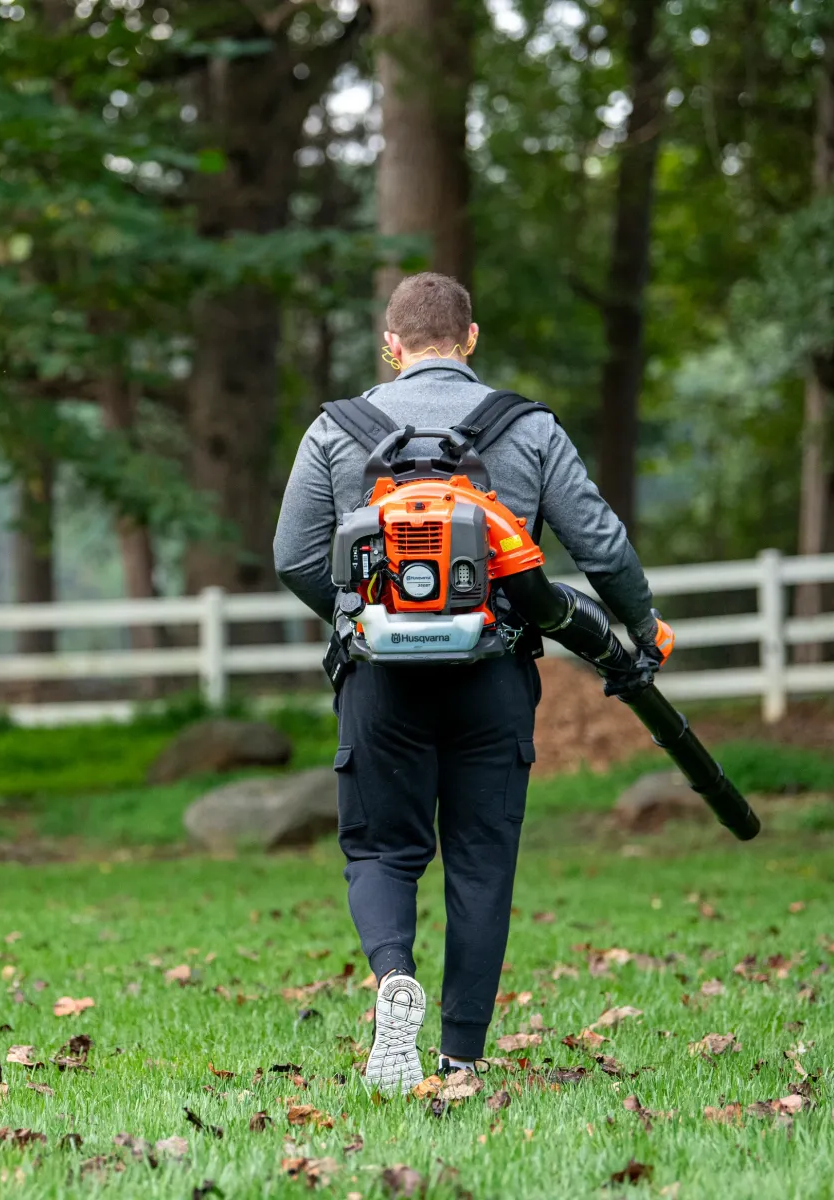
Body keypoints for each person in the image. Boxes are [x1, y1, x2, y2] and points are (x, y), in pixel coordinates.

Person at [272, 272, 671, 1090]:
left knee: (383, 849)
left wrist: (358, 621)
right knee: (482, 860)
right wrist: (641, 625)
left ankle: (393, 981)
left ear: (391, 347)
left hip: (379, 679)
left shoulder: (334, 430)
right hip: (494, 672)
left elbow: (292, 557)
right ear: (472, 338)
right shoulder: (527, 428)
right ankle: (459, 1056)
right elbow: (600, 543)